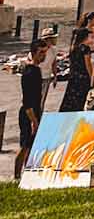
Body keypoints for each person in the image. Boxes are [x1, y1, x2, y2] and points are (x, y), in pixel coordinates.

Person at [14, 36, 53, 179]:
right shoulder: (31, 72)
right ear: (34, 53)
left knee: (30, 146)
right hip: (28, 114)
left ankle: (27, 172)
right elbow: (28, 101)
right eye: (41, 53)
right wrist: (34, 121)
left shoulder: (36, 70)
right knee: (24, 146)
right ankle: (17, 175)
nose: (43, 55)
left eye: (44, 52)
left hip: (34, 112)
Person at [58, 15, 94, 113]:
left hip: (74, 76)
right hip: (83, 77)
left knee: (70, 98)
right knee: (80, 100)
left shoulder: (74, 48)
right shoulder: (85, 49)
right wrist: (92, 79)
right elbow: (88, 65)